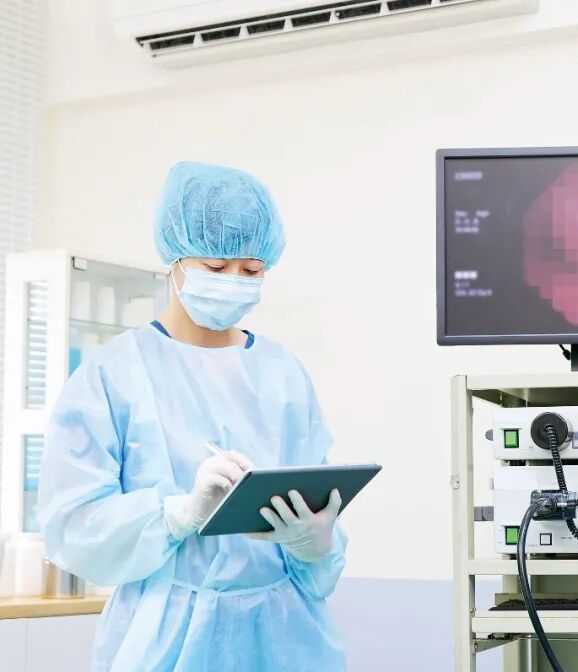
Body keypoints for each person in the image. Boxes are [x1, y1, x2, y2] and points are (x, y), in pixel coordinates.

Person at [37, 162, 348, 671]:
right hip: (164, 638)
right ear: (176, 261)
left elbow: (314, 509)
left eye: (251, 271)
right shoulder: (115, 373)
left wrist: (317, 543)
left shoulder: (282, 373)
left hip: (286, 637)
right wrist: (176, 515)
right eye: (217, 267)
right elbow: (72, 526)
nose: (235, 282)